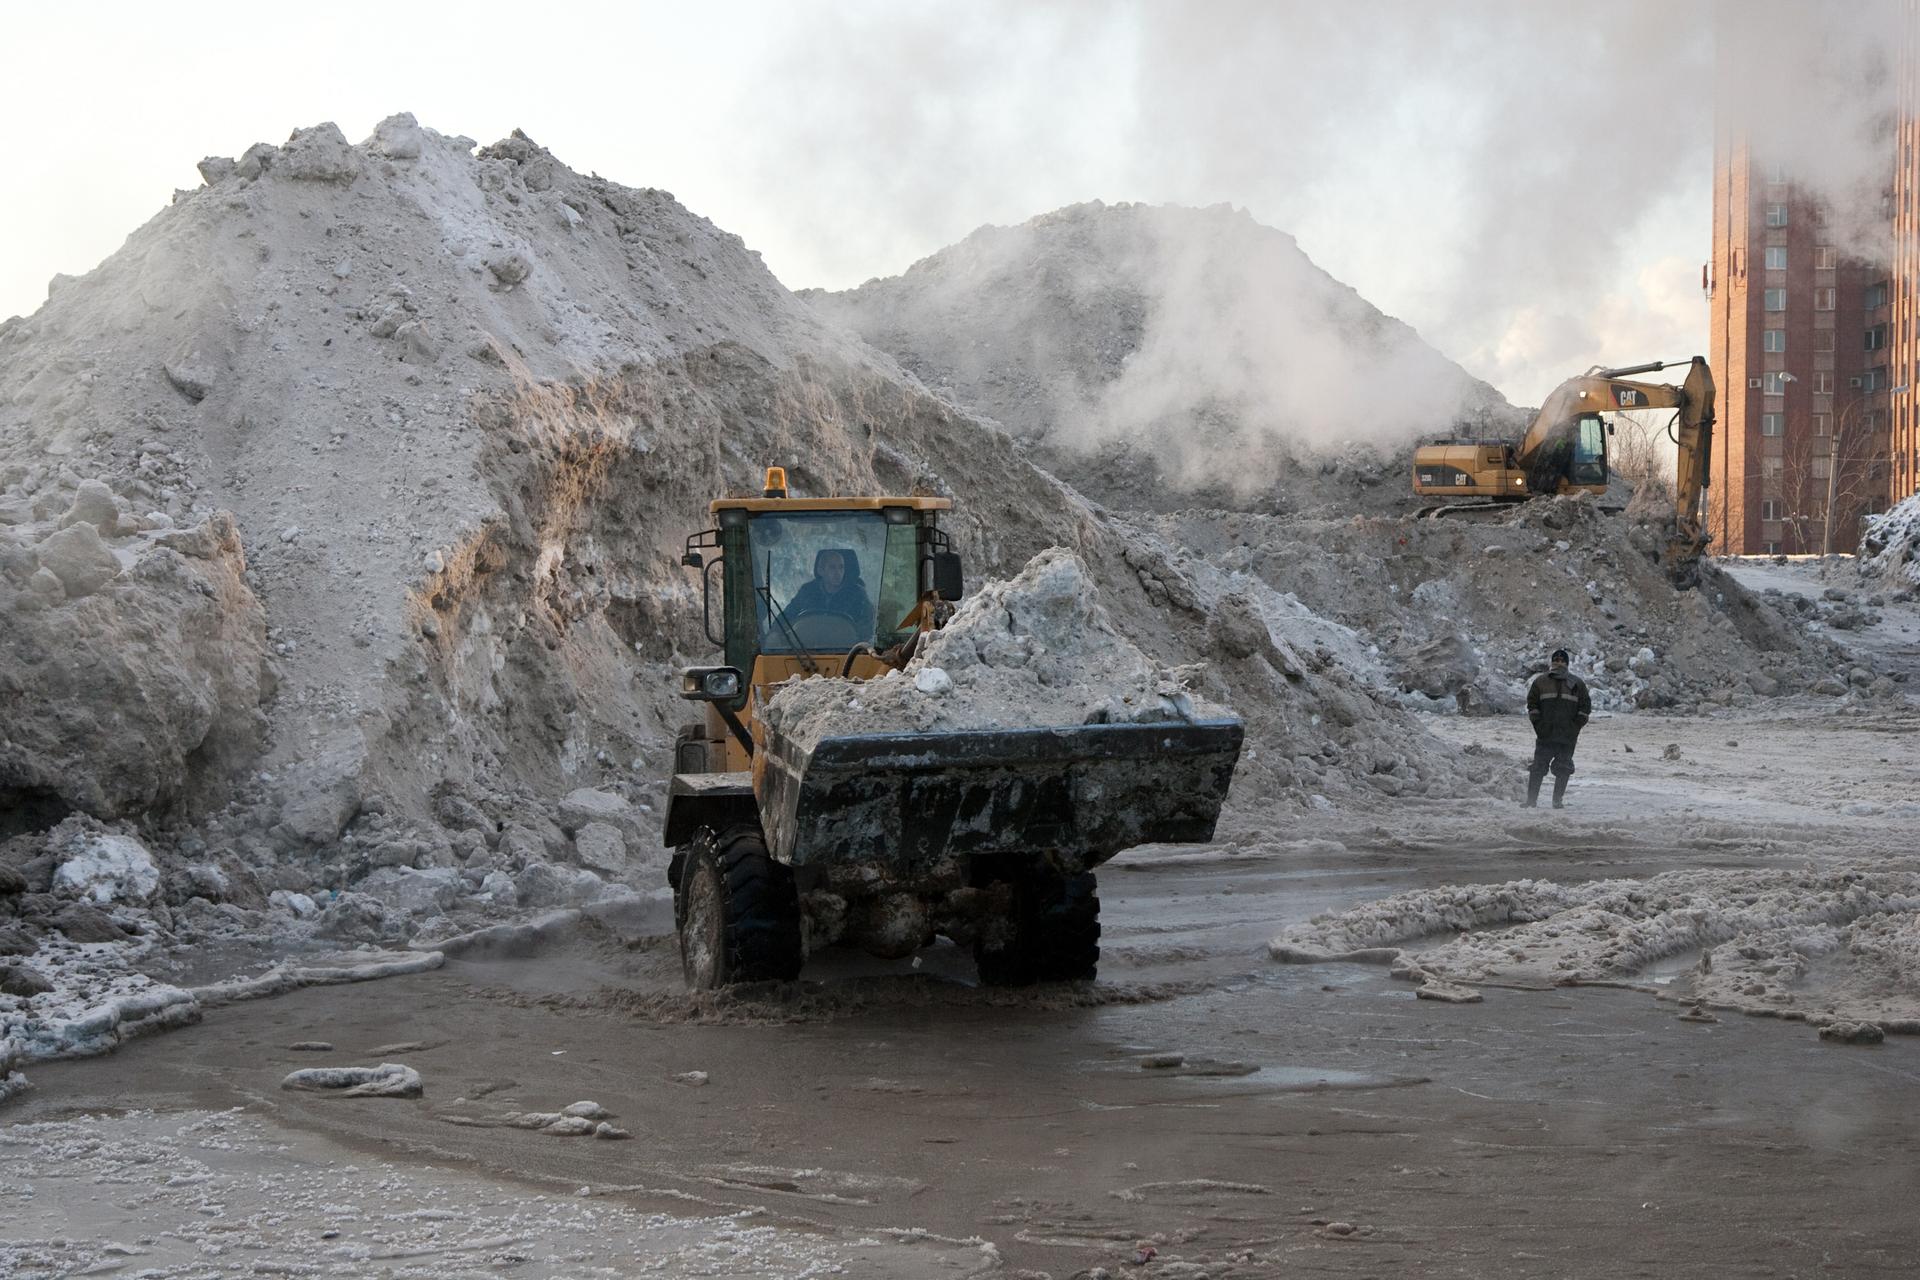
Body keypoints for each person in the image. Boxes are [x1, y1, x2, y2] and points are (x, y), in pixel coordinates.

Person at [1524, 647, 1590, 809]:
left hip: (1567, 737)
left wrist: (1574, 728)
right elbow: (1532, 705)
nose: (1559, 663)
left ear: (1567, 664)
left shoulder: (1577, 684)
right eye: (1556, 660)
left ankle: (1557, 801)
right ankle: (1531, 801)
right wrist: (1539, 726)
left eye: (1562, 661)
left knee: (1564, 768)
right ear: (1551, 662)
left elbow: (1585, 708)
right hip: (1545, 735)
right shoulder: (1540, 682)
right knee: (1538, 767)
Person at [786, 548, 874, 626]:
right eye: (832, 567)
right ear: (821, 570)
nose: (838, 573)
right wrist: (775, 634)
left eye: (841, 567)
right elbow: (786, 616)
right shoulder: (807, 591)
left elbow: (868, 625)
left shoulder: (858, 594)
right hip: (807, 643)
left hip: (846, 644)